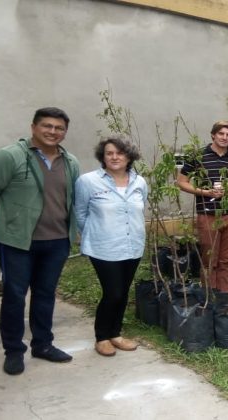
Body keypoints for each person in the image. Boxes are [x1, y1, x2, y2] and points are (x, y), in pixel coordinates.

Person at [0, 107, 80, 375]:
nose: (53, 132)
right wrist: (7, 224)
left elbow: (72, 201)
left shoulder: (71, 162)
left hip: (56, 241)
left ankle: (43, 344)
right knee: (14, 296)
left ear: (65, 132)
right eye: (47, 126)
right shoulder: (9, 156)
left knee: (45, 295)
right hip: (17, 244)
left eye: (59, 128)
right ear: (33, 127)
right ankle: (13, 350)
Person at [74, 136, 148, 357]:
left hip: (132, 244)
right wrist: (95, 233)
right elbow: (80, 213)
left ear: (129, 156)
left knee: (123, 292)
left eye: (120, 153)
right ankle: (102, 337)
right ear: (102, 156)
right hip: (103, 247)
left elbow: (140, 208)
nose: (115, 157)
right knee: (113, 292)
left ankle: (115, 333)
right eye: (109, 153)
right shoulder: (88, 181)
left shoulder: (139, 182)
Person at [177, 120, 228, 297]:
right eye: (221, 134)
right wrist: (204, 192)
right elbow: (181, 182)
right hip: (208, 214)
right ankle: (209, 295)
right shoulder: (197, 157)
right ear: (213, 134)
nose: (224, 137)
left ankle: (225, 296)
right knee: (209, 258)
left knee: (226, 259)